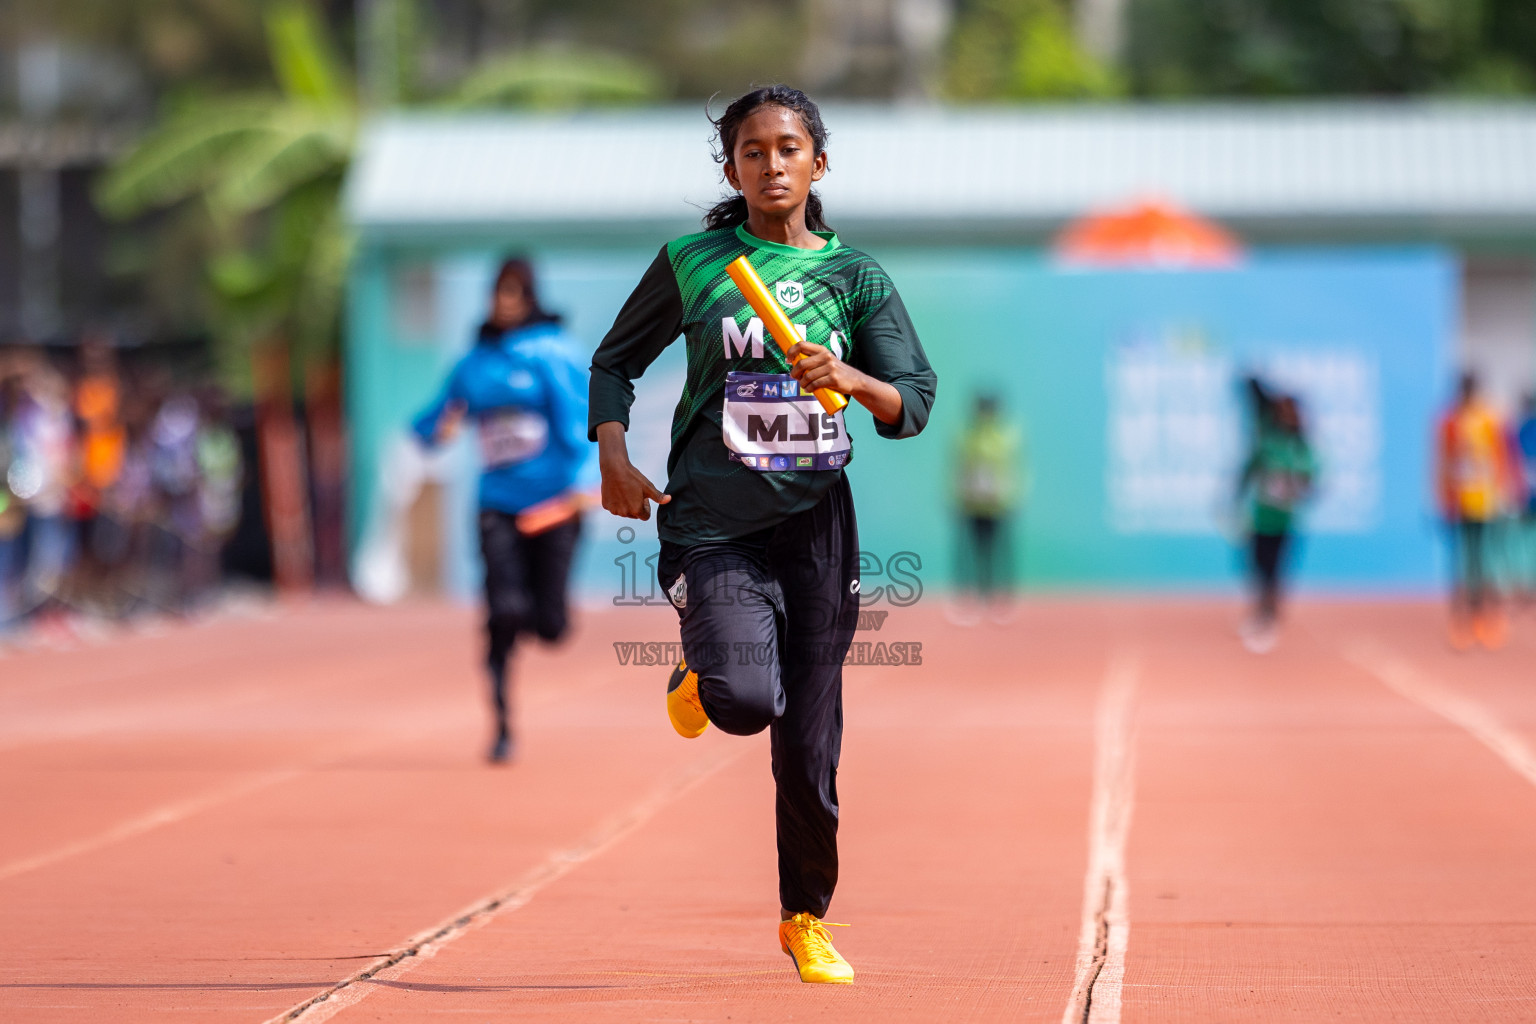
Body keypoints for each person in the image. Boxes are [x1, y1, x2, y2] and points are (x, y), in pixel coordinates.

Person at [588, 86, 936, 985]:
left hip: (816, 526)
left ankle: (803, 918)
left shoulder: (856, 279)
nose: (771, 164)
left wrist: (849, 376)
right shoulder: (696, 263)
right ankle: (703, 669)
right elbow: (614, 361)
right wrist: (613, 456)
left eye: (788, 149)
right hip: (712, 524)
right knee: (746, 700)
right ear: (732, 166)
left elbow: (913, 404)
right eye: (752, 151)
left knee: (811, 740)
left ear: (819, 163)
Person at [413, 258, 591, 763]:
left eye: (514, 293)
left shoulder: (554, 354)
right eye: (497, 292)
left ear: (531, 297)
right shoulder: (475, 362)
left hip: (555, 506)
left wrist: (583, 484)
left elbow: (580, 424)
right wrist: (436, 431)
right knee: (502, 611)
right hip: (497, 505)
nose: (503, 302)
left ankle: (537, 614)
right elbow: (432, 421)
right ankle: (502, 723)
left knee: (552, 627)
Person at [1435, 372, 1516, 650]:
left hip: (1487, 501)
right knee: (1464, 562)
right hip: (1461, 502)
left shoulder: (1490, 418)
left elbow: (1502, 456)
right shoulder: (1450, 420)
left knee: (1486, 562)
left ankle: (1485, 617)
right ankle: (1463, 620)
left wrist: (1506, 491)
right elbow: (1444, 461)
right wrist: (1445, 497)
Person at [1234, 388, 1315, 653]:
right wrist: (1236, 499)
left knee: (1276, 569)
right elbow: (1247, 471)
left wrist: (1296, 483)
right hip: (1261, 519)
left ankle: (1269, 613)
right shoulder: (1267, 443)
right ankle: (1261, 609)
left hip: (1286, 520)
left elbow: (1311, 478)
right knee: (1256, 566)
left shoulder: (1300, 447)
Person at [953, 393, 1024, 624]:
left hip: (998, 506)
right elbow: (959, 468)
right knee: (970, 554)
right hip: (972, 505)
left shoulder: (1006, 436)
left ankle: (1000, 601)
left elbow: (1014, 469)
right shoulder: (967, 435)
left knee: (1000, 554)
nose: (985, 416)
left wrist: (1010, 496)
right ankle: (972, 600)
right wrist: (958, 496)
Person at [1515, 393, 1536, 602]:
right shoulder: (1520, 431)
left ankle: (1527, 583)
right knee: (1526, 541)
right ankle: (1527, 583)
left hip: (1527, 494)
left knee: (1526, 541)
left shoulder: (1521, 430)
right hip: (1527, 494)